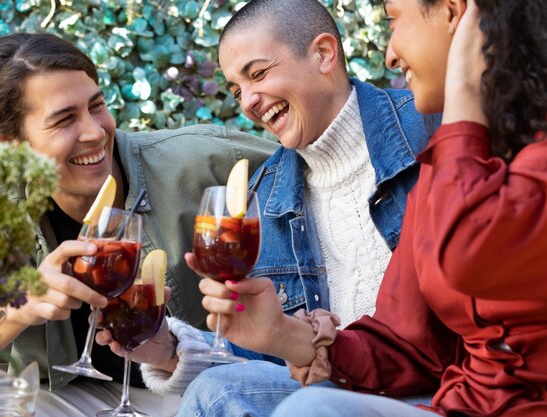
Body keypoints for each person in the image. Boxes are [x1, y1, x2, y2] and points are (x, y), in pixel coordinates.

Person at [199, 0, 547, 416]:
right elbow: (408, 341)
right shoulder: (441, 162)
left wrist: (463, 98)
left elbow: (468, 250)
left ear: (455, 14)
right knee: (219, 390)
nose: (390, 53)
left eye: (394, 21)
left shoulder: (441, 140)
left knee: (310, 409)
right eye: (237, 89)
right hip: (461, 404)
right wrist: (285, 335)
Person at [96, 0, 439, 412]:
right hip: (330, 386)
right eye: (237, 89)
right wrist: (167, 349)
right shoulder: (266, 194)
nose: (247, 102)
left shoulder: (431, 132)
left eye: (258, 74)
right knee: (222, 388)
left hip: (433, 387)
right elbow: (274, 353)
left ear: (324, 54)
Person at [0, 32, 276, 416]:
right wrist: (22, 308)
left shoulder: (203, 160)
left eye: (97, 106)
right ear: (7, 143)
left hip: (191, 390)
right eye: (64, 120)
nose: (95, 132)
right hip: (65, 398)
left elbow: (315, 171)